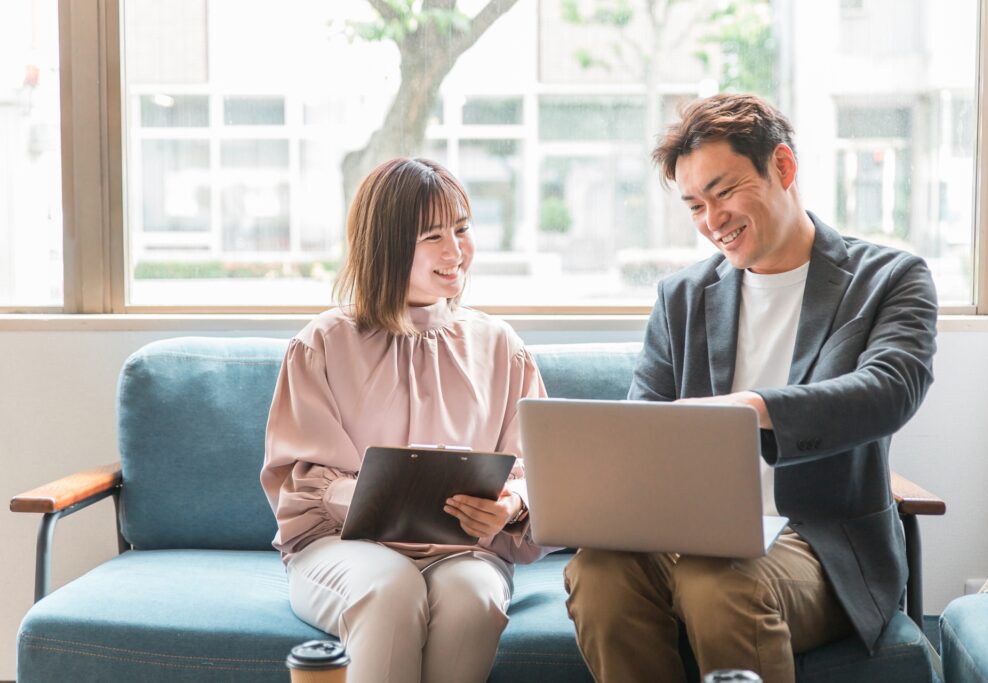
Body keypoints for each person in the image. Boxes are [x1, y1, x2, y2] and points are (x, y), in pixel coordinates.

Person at [563, 93, 938, 683]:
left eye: (725, 191)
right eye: (694, 206)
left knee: (718, 582)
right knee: (598, 573)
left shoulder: (888, 279)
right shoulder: (681, 298)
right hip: (688, 534)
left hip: (817, 542)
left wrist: (751, 409)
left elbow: (890, 390)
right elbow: (643, 429)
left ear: (783, 168)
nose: (713, 221)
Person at [261, 157, 549, 683]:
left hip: (465, 552)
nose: (455, 250)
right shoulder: (322, 344)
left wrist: (509, 506)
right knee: (391, 588)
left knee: (475, 598)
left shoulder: (501, 346)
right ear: (387, 245)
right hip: (344, 549)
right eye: (433, 235)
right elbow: (302, 486)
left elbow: (537, 469)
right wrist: (382, 496)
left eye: (462, 229)